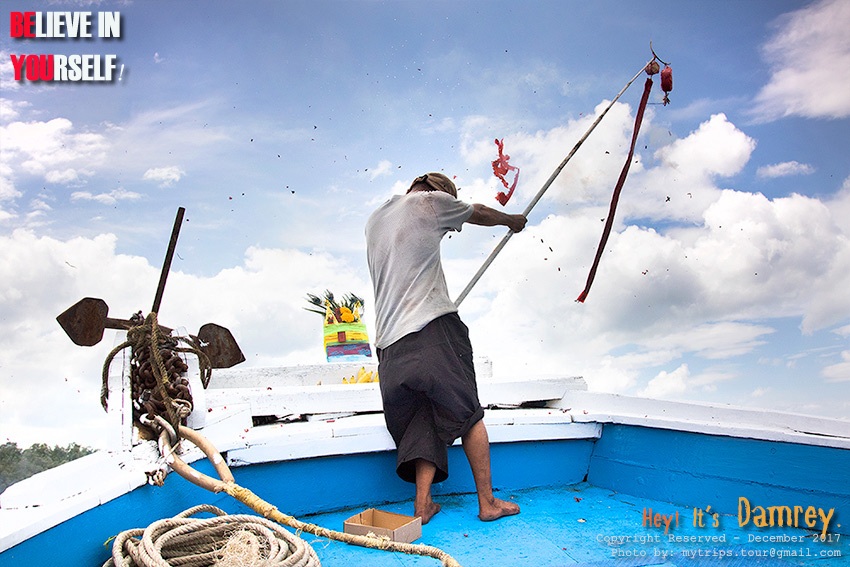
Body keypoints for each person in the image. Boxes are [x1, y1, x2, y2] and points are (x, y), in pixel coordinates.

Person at [365, 172, 526, 524]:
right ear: (441, 195)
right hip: (432, 332)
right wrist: (510, 221)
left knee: (421, 420)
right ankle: (488, 502)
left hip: (389, 349)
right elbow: (480, 211)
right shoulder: (430, 202)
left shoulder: (375, 220)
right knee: (468, 413)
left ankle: (422, 506)